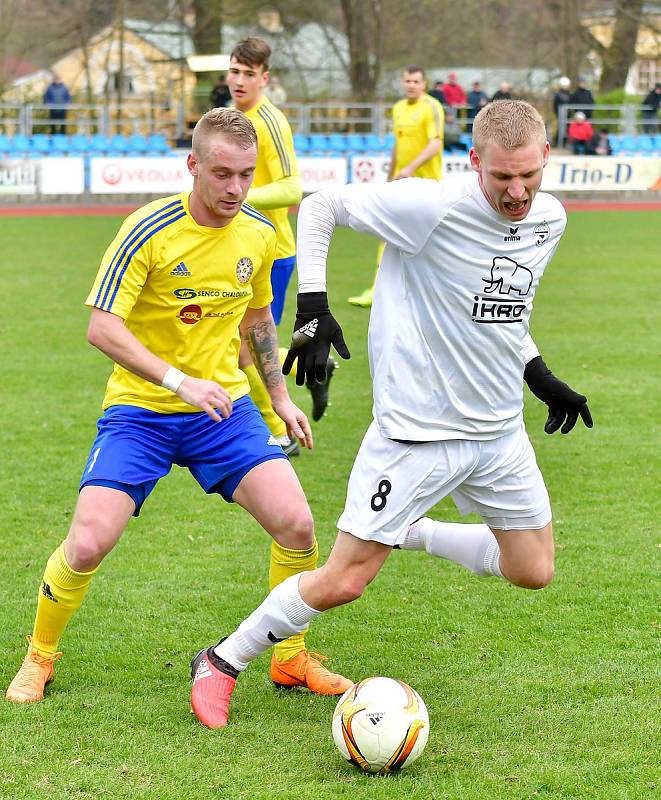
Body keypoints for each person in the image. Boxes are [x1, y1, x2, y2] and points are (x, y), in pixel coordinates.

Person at [189, 99, 593, 728]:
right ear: (474, 162)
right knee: (343, 582)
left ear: (547, 158)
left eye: (528, 176)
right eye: (501, 177)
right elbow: (321, 205)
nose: (517, 192)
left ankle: (415, 531)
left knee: (534, 569)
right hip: (415, 434)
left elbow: (504, 309)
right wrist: (313, 306)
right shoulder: (432, 205)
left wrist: (538, 375)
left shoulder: (550, 220)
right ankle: (222, 660)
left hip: (498, 431)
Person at [5, 107, 352, 706]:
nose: (236, 189)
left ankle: (290, 659)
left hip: (224, 410)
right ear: (193, 165)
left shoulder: (258, 233)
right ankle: (40, 656)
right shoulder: (148, 229)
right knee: (88, 541)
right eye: (222, 174)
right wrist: (178, 381)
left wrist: (278, 397)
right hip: (140, 412)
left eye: (245, 175)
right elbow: (100, 327)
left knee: (297, 524)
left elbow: (258, 318)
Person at [227, 37, 336, 435]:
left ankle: (278, 429)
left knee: (245, 351)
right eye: (234, 71)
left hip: (271, 251)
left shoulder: (270, 121)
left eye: (248, 74)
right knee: (242, 349)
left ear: (264, 78)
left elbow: (291, 189)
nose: (239, 81)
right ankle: (315, 363)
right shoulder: (230, 117)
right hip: (239, 249)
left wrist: (236, 194)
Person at [348, 65, 444, 308]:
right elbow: (397, 145)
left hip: (427, 186)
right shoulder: (399, 108)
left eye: (415, 81)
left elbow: (435, 143)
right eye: (407, 81)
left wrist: (411, 167)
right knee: (386, 232)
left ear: (424, 84)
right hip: (402, 184)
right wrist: (391, 177)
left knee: (428, 238)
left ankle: (435, 289)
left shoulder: (431, 106)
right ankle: (378, 289)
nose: (411, 85)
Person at [553, 76, 572, 147]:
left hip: (568, 114)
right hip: (560, 114)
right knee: (560, 128)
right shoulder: (558, 95)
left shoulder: (569, 94)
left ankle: (565, 143)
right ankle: (558, 143)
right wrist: (557, 113)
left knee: (567, 128)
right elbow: (555, 105)